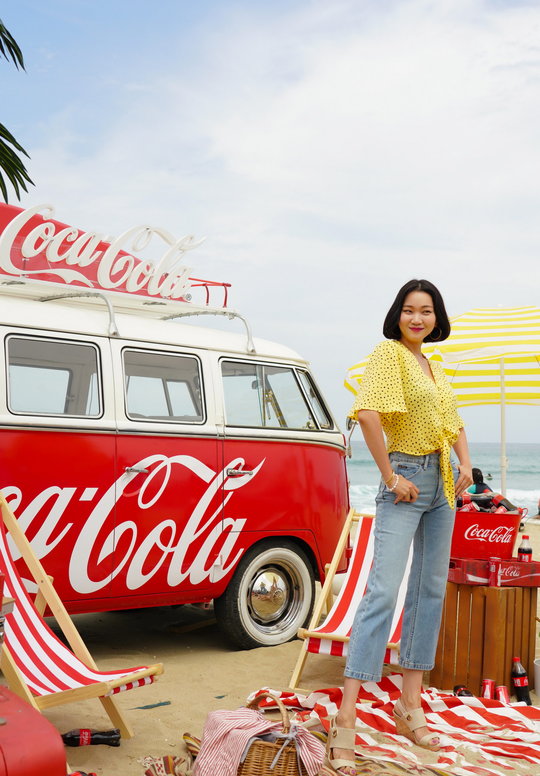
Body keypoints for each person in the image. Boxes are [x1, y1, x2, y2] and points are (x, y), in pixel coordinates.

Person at [327, 279, 472, 776]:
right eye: (409, 310)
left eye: (426, 311)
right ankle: (345, 715)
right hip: (406, 479)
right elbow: (367, 414)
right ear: (398, 315)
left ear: (437, 318)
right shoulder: (388, 355)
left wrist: (466, 464)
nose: (417, 318)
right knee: (382, 594)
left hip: (444, 486)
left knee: (429, 591)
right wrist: (390, 476)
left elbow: (453, 424)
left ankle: (409, 706)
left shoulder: (434, 367)